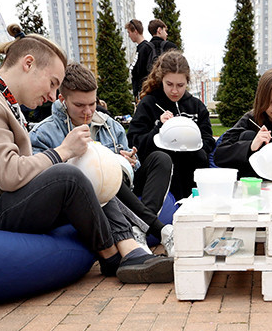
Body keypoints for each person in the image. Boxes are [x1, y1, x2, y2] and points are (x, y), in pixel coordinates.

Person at [0, 24, 172, 283]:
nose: (51, 96)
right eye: (52, 83)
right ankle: (112, 257)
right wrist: (63, 151)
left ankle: (131, 249)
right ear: (28, 63)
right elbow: (10, 174)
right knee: (69, 176)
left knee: (91, 170)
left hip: (1, 201)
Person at [29, 62, 175, 255]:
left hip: (125, 189)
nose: (88, 112)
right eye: (79, 105)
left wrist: (130, 159)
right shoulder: (43, 133)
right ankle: (160, 229)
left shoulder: (110, 125)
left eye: (92, 104)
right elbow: (41, 180)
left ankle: (138, 229)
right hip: (88, 198)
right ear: (62, 99)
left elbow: (132, 162)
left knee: (161, 159)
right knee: (101, 173)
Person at [128, 50, 214, 200]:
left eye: (180, 85)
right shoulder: (149, 104)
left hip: (191, 174)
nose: (175, 90)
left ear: (187, 82)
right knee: (166, 158)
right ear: (161, 79)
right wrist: (159, 129)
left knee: (198, 156)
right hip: (159, 174)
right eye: (169, 84)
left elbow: (208, 141)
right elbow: (135, 142)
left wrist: (191, 142)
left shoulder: (196, 106)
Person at [126, 19, 154, 100]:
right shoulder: (140, 48)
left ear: (135, 31)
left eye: (129, 32)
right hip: (140, 93)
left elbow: (143, 73)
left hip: (144, 93)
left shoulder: (145, 48)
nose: (129, 35)